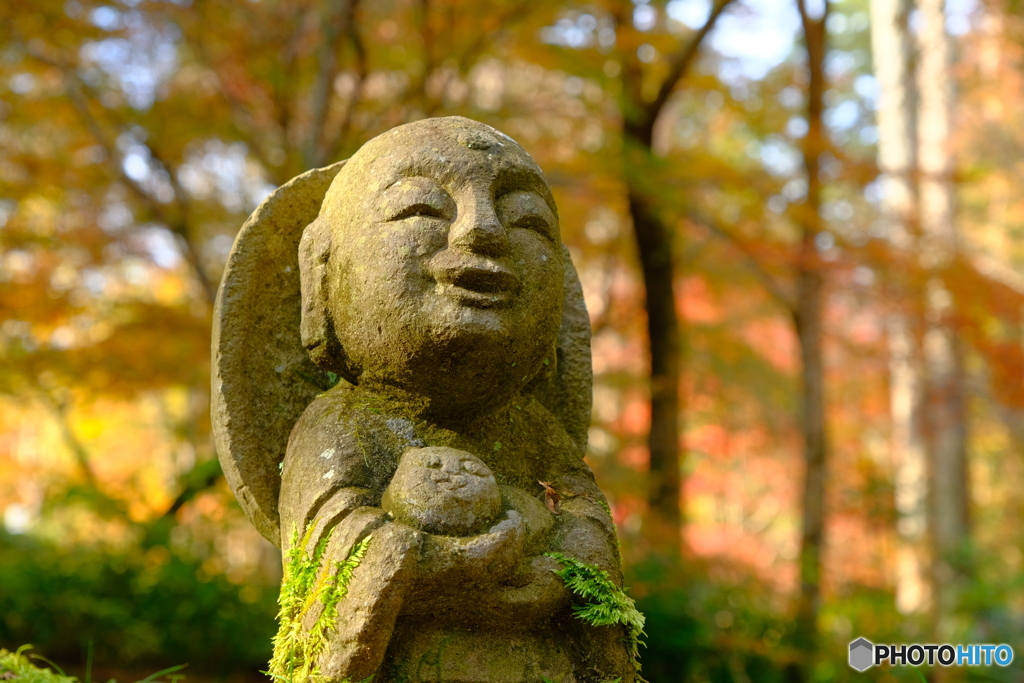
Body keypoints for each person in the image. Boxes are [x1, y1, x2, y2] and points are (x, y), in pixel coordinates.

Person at [280, 116, 631, 683]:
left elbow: (587, 531)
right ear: (320, 273)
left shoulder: (537, 433)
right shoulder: (341, 425)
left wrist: (560, 572)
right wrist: (439, 565)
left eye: (526, 220)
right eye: (422, 209)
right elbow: (332, 542)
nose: (483, 230)